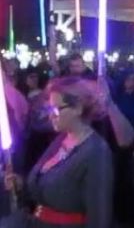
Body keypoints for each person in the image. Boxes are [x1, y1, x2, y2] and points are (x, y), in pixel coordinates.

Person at [1, 76, 113, 228]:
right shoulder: (62, 138)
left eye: (56, 109)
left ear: (78, 108)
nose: (50, 115)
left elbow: (99, 218)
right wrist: (21, 184)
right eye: (49, 108)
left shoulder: (96, 152)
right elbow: (46, 189)